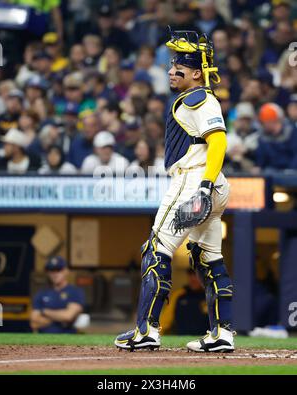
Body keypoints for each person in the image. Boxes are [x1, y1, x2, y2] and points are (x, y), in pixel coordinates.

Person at [115, 29, 234, 352]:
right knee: (208, 258)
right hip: (211, 182)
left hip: (195, 179)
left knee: (156, 249)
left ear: (196, 73)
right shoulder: (196, 98)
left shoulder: (198, 97)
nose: (171, 71)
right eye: (171, 66)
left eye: (178, 68)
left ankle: (147, 330)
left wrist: (205, 186)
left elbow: (219, 140)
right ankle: (223, 333)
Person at [30, 256, 85, 333]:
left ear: (66, 271)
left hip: (68, 341)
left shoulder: (75, 291)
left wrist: (44, 311)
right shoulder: (41, 293)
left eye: (58, 270)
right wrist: (60, 320)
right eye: (51, 270)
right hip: (43, 341)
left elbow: (68, 316)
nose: (55, 274)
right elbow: (34, 322)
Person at [160, 269, 209, 336]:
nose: (193, 279)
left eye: (197, 276)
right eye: (191, 275)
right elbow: (165, 320)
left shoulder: (209, 295)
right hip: (181, 338)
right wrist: (158, 334)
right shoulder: (179, 295)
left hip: (204, 338)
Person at [255, 103, 297, 171]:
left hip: (291, 171)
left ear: (271, 121)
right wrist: (258, 167)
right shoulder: (262, 137)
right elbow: (261, 159)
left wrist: (291, 170)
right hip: (271, 172)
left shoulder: (292, 132)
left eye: (263, 122)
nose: (262, 125)